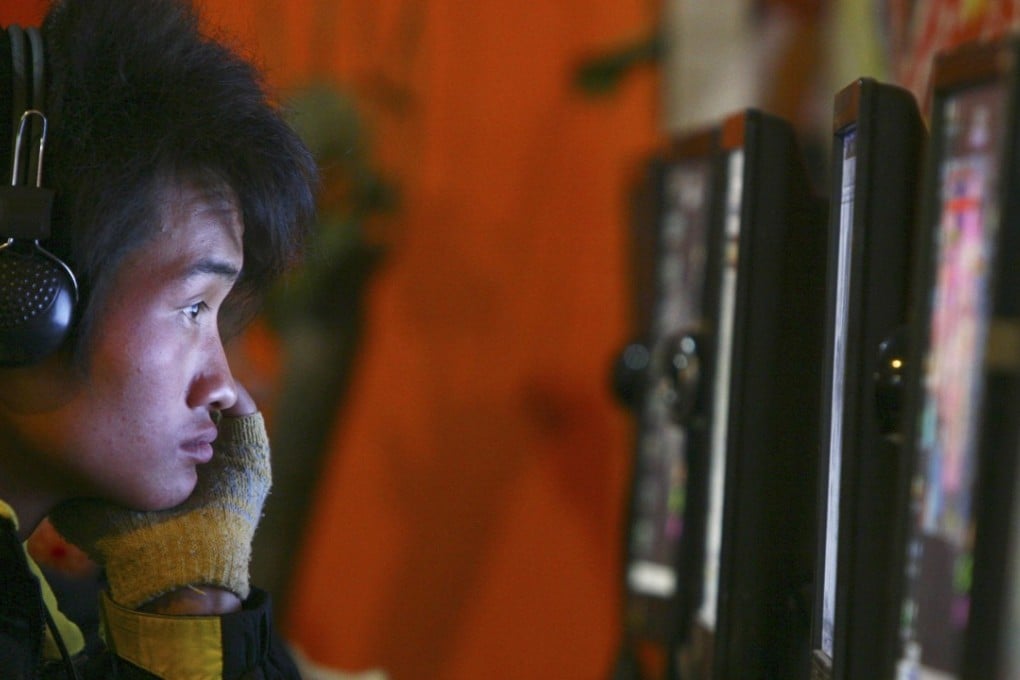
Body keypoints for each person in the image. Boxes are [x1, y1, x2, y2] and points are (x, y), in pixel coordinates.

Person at [0, 0, 317, 677]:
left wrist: (192, 585)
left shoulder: (32, 610)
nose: (224, 386)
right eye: (193, 309)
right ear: (23, 296)